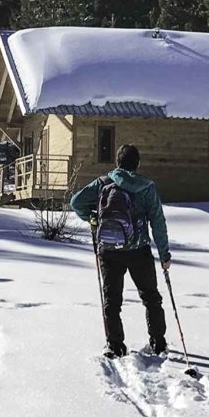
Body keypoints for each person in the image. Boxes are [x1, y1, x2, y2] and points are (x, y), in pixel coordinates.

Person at [70, 143, 172, 359]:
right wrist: (164, 255)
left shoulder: (102, 183)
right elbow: (158, 222)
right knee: (151, 297)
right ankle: (158, 343)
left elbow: (76, 202)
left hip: (109, 250)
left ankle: (115, 345)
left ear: (117, 162)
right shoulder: (146, 187)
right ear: (137, 163)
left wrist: (92, 217)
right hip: (139, 250)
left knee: (112, 300)